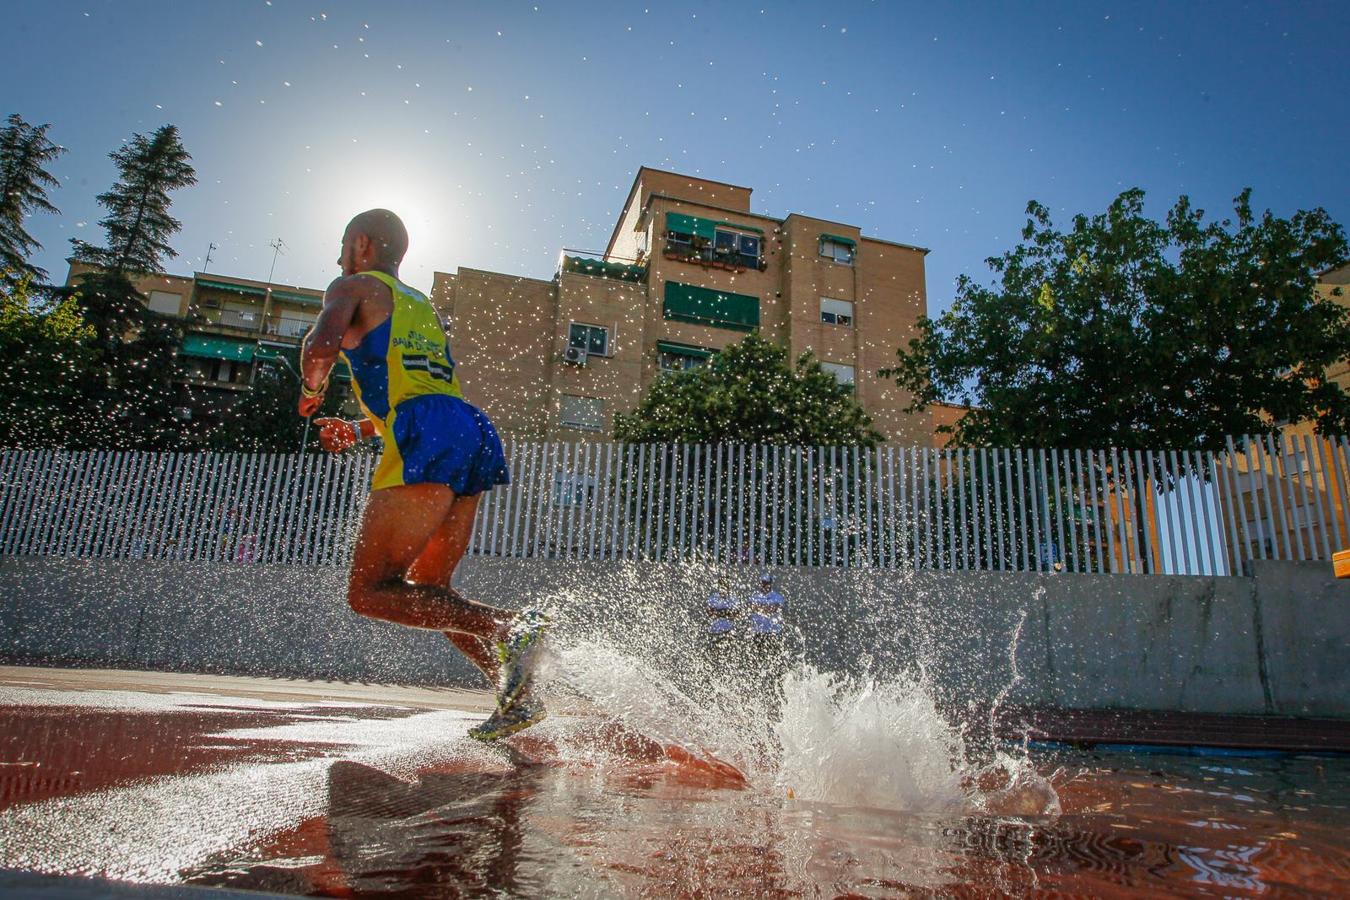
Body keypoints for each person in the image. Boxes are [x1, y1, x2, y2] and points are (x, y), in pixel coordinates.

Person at [299, 208, 546, 742]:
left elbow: (320, 348)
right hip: (465, 426)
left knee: (368, 592)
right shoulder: (420, 305)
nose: (337, 259)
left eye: (343, 246)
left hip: (428, 430)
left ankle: (509, 626)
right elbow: (417, 389)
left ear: (362, 243)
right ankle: (516, 697)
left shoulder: (353, 284)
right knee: (433, 590)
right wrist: (362, 430)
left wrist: (311, 390)